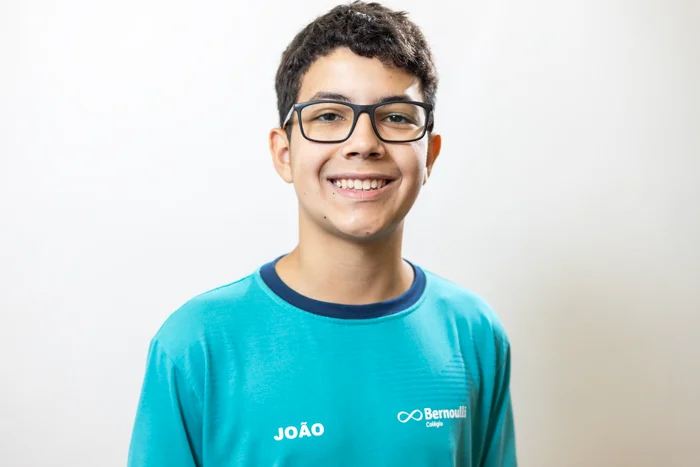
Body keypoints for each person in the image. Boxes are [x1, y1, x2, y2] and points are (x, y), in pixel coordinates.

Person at [127, 2, 517, 466]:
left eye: (396, 116)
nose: (364, 143)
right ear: (284, 153)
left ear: (429, 154)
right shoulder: (198, 344)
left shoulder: (472, 332)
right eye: (329, 115)